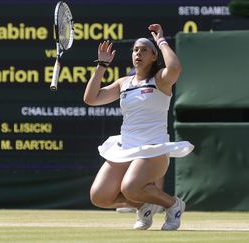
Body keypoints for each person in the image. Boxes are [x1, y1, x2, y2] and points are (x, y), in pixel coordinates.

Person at [83, 24, 194, 230]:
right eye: (135, 49)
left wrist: (160, 40)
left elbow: (175, 68)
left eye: (144, 49)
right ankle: (145, 205)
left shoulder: (160, 80)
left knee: (130, 187)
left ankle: (173, 205)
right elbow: (91, 98)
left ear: (154, 56)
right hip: (125, 148)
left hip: (153, 149)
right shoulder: (123, 83)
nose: (138, 53)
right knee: (99, 197)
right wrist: (101, 65)